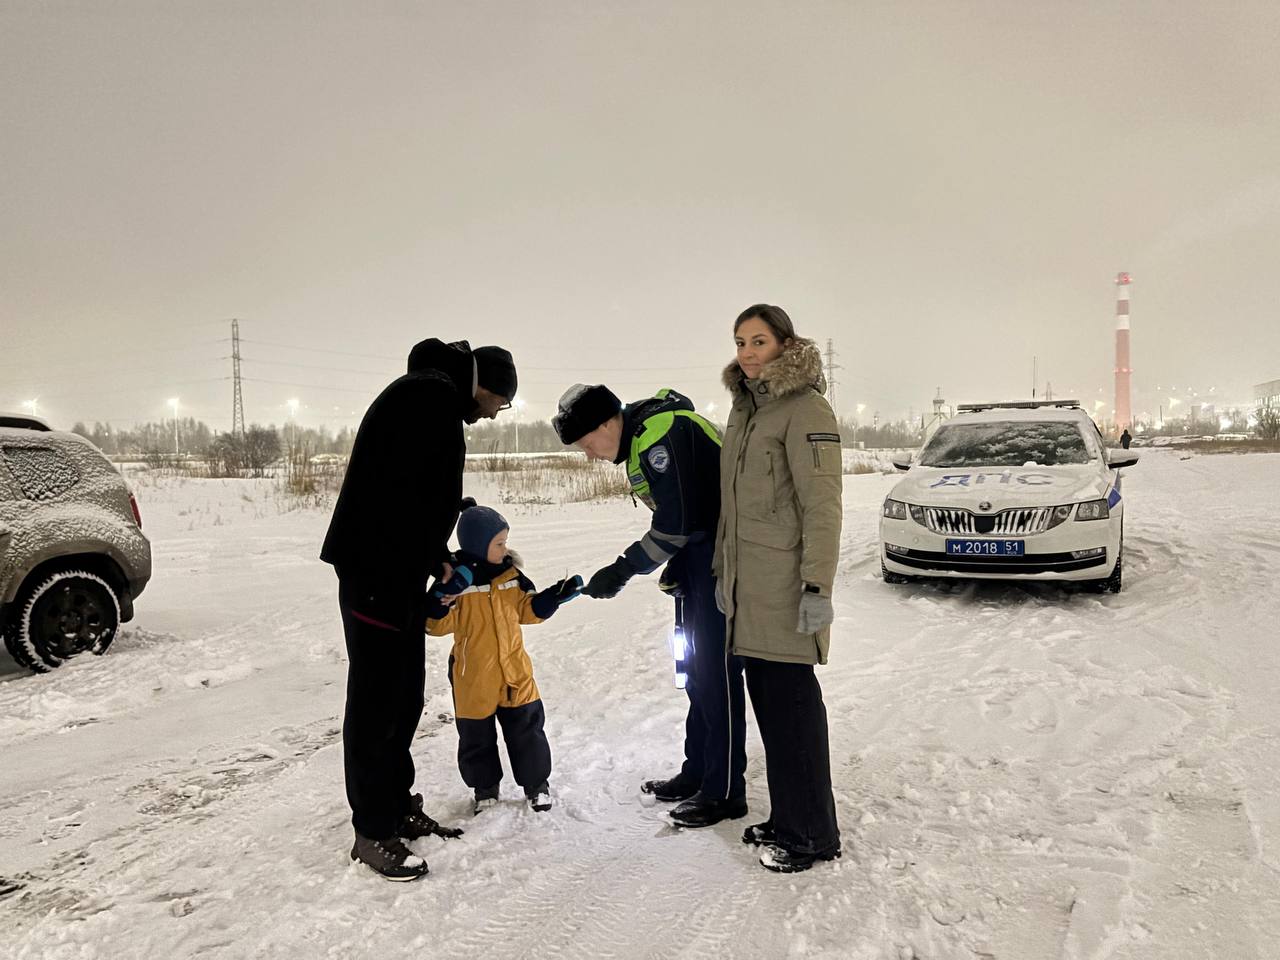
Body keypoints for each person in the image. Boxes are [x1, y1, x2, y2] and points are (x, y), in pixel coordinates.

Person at [320, 338, 517, 881]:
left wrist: (437, 555)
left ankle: (395, 805)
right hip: (375, 573)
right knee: (377, 701)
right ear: (484, 385)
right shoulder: (428, 398)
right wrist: (434, 554)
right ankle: (372, 830)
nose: (494, 413)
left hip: (395, 573)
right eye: (499, 403)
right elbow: (404, 496)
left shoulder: (433, 396)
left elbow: (416, 492)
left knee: (404, 695)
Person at [552, 383, 748, 829]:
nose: (590, 455)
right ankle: (698, 772)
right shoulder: (646, 436)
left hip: (721, 563)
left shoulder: (661, 433)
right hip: (698, 563)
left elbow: (676, 524)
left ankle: (725, 793)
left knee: (716, 677)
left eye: (587, 443)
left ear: (607, 422)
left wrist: (622, 569)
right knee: (696, 673)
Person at [715, 304, 842, 874]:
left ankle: (813, 834)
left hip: (788, 588)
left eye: (759, 341)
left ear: (786, 345)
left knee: (793, 711)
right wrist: (723, 573)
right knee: (770, 707)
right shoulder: (747, 410)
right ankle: (790, 815)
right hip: (749, 588)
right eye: (741, 342)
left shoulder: (806, 408)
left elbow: (823, 506)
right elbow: (734, 507)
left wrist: (818, 585)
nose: (747, 353)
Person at [425, 504, 583, 815]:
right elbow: (435, 626)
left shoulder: (511, 576)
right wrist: (440, 601)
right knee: (476, 737)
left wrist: (554, 597)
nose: (505, 549)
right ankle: (485, 788)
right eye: (499, 543)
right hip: (473, 677)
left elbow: (527, 609)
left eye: (505, 542)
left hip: (515, 672)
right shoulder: (457, 582)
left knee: (528, 732)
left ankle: (537, 784)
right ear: (477, 545)